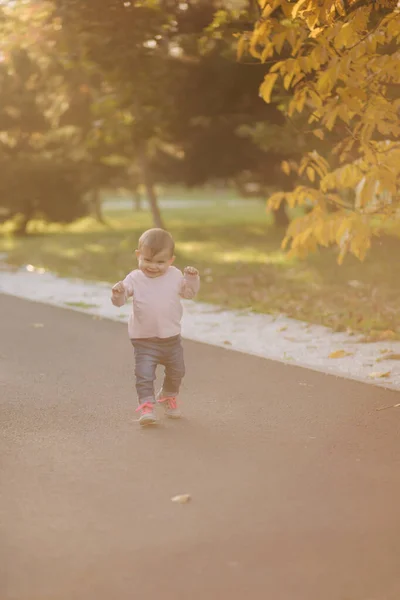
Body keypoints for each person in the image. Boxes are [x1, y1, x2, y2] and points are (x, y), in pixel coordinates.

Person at [111, 228, 200, 426]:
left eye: (160, 262)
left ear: (171, 260)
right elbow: (120, 301)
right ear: (138, 255)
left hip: (171, 338)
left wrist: (192, 279)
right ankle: (146, 407)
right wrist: (118, 293)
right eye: (147, 260)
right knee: (144, 374)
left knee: (177, 371)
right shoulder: (134, 278)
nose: (153, 267)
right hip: (144, 339)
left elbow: (189, 293)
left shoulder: (175, 275)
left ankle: (167, 396)